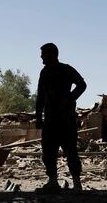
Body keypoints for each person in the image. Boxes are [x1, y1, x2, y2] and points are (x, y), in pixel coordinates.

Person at [35, 42, 87, 194]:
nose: (41, 57)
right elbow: (41, 97)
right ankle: (52, 182)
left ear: (52, 54)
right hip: (50, 120)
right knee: (48, 152)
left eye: (43, 54)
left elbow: (82, 85)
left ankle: (77, 183)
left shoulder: (66, 69)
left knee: (70, 150)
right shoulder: (44, 73)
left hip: (66, 119)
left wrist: (70, 98)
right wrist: (39, 117)